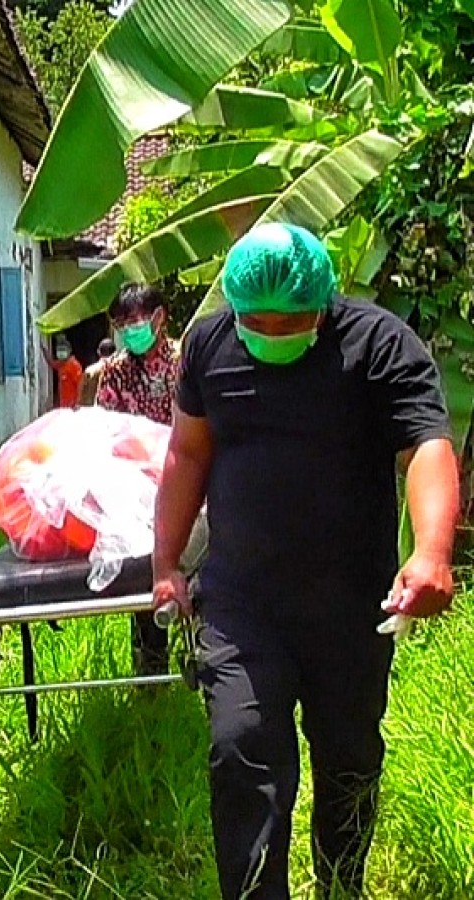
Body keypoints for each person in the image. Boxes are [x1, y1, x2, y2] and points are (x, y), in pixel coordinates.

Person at [152, 223, 459, 900]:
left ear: (323, 302)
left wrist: (432, 551)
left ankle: (341, 884)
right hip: (242, 602)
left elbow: (426, 445)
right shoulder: (209, 345)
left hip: (349, 606)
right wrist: (165, 562)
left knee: (349, 758)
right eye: (255, 321)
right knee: (240, 749)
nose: (270, 332)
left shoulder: (378, 345)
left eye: (289, 322)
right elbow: (188, 452)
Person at [95, 284, 179, 676]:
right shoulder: (115, 371)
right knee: (143, 572)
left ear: (158, 318)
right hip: (135, 490)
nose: (128, 331)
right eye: (121, 325)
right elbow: (105, 428)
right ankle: (151, 672)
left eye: (134, 322)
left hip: (184, 482)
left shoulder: (184, 362)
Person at [41, 335, 84, 408]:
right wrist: (44, 349)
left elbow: (80, 384)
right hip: (64, 404)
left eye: (63, 349)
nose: (61, 352)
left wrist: (77, 402)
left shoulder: (74, 365)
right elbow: (52, 363)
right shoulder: (61, 364)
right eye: (59, 350)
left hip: (72, 406)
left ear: (69, 350)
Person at [79, 337, 116, 406]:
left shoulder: (90, 370)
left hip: (91, 409)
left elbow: (81, 394)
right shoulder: (119, 371)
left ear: (98, 352)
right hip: (111, 410)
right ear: (115, 353)